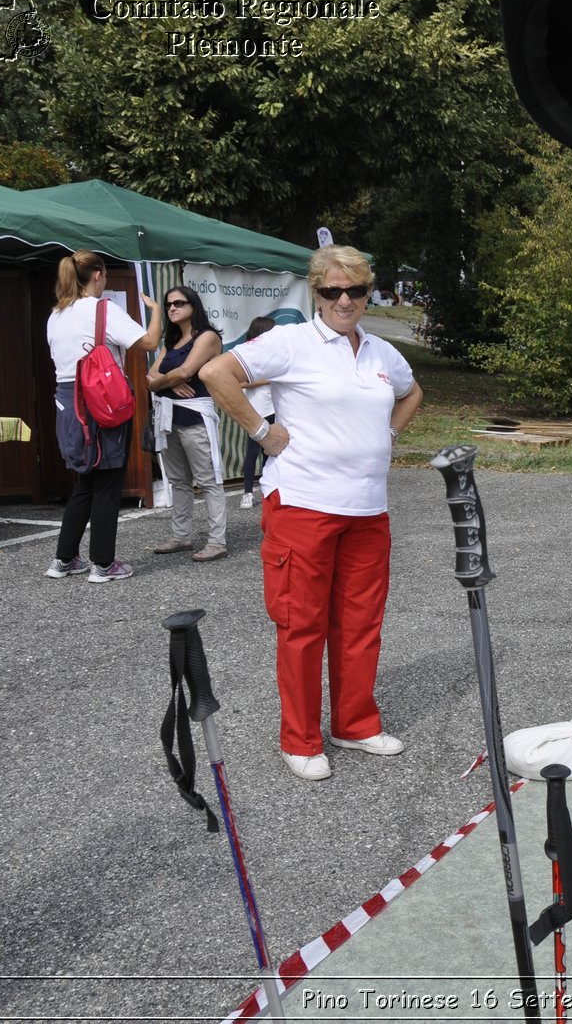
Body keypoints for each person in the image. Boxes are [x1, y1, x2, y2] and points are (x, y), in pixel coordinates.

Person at [200, 245, 424, 781]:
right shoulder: (291, 341)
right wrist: (261, 430)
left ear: (369, 293)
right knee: (302, 626)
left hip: (368, 509)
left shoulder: (379, 352)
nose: (344, 300)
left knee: (361, 625)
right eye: (331, 291)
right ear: (315, 292)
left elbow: (412, 392)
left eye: (355, 290)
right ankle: (299, 738)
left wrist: (387, 434)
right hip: (303, 505)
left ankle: (355, 724)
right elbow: (215, 373)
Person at [44, 250, 164, 583]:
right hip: (100, 401)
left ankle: (64, 559)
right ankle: (103, 563)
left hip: (68, 402)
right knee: (109, 483)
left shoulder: (56, 315)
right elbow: (149, 341)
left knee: (85, 481)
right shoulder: (102, 310)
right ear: (98, 275)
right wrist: (154, 312)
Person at [147, 286, 227, 561]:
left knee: (208, 480)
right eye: (168, 304)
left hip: (195, 416)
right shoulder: (171, 341)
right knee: (179, 481)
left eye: (179, 303)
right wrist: (168, 383)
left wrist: (163, 382)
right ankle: (181, 536)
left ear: (193, 305)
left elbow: (185, 371)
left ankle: (217, 541)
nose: (172, 308)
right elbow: (149, 377)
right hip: (170, 417)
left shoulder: (207, 337)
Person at [238, 315, 278, 509]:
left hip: (273, 407)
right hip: (254, 410)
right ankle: (247, 493)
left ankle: (266, 490)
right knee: (252, 452)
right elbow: (240, 382)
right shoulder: (247, 354)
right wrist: (268, 380)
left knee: (269, 451)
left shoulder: (275, 354)